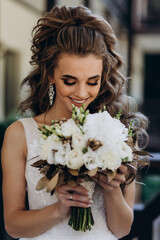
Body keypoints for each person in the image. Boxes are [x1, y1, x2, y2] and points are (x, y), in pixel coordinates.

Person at [1, 5, 148, 240]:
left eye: (92, 81)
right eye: (69, 81)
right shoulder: (20, 135)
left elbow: (122, 230)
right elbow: (13, 226)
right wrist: (58, 210)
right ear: (50, 74)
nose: (81, 93)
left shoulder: (118, 134)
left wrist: (111, 191)